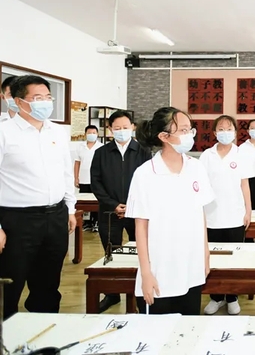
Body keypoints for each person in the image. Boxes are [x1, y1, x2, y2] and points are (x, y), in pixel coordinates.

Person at [0, 75, 77, 320]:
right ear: (19, 101)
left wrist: (70, 208)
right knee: (10, 283)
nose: (44, 102)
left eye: (47, 97)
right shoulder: (4, 132)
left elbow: (66, 172)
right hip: (17, 220)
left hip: (55, 216)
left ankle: (45, 329)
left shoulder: (57, 131)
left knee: (48, 283)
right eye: (37, 98)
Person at [125, 107, 214, 315]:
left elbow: (200, 214)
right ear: (164, 136)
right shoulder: (145, 174)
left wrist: (205, 253)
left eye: (190, 129)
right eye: (183, 130)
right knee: (157, 331)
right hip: (160, 270)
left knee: (187, 327)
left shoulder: (196, 168)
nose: (189, 135)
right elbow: (141, 227)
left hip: (191, 266)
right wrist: (146, 273)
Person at [91, 110, 152, 313]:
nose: (121, 131)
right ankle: (112, 294)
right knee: (111, 253)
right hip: (110, 213)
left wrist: (132, 206)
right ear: (110, 129)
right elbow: (96, 183)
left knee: (140, 251)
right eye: (117, 128)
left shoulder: (143, 151)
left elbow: (149, 183)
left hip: (138, 213)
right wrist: (113, 205)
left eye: (125, 127)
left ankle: (140, 292)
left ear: (133, 127)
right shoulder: (101, 153)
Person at [200, 115, 252, 316]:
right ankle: (216, 297)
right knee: (213, 258)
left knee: (234, 258)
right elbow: (201, 187)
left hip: (235, 215)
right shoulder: (207, 155)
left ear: (235, 132)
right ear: (214, 132)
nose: (225, 132)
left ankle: (232, 297)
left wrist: (248, 211)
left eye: (229, 128)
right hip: (211, 216)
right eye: (220, 129)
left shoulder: (241, 154)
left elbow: (244, 184)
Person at [74, 125, 103, 232]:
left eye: (94, 133)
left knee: (96, 202)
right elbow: (77, 163)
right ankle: (86, 223)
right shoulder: (80, 147)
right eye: (89, 133)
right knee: (84, 203)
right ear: (85, 134)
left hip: (97, 180)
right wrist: (76, 178)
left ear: (97, 134)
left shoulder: (101, 147)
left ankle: (96, 222)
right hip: (83, 179)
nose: (91, 135)